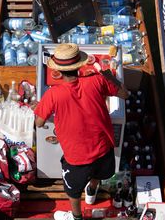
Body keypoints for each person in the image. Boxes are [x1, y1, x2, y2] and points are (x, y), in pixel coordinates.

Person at [33, 43, 130, 220]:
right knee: (98, 175)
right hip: (103, 149)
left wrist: (38, 108)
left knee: (73, 192)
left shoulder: (53, 94)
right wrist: (109, 75)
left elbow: (39, 123)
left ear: (59, 72)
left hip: (77, 158)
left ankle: (77, 217)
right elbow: (125, 94)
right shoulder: (97, 80)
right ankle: (92, 192)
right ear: (79, 66)